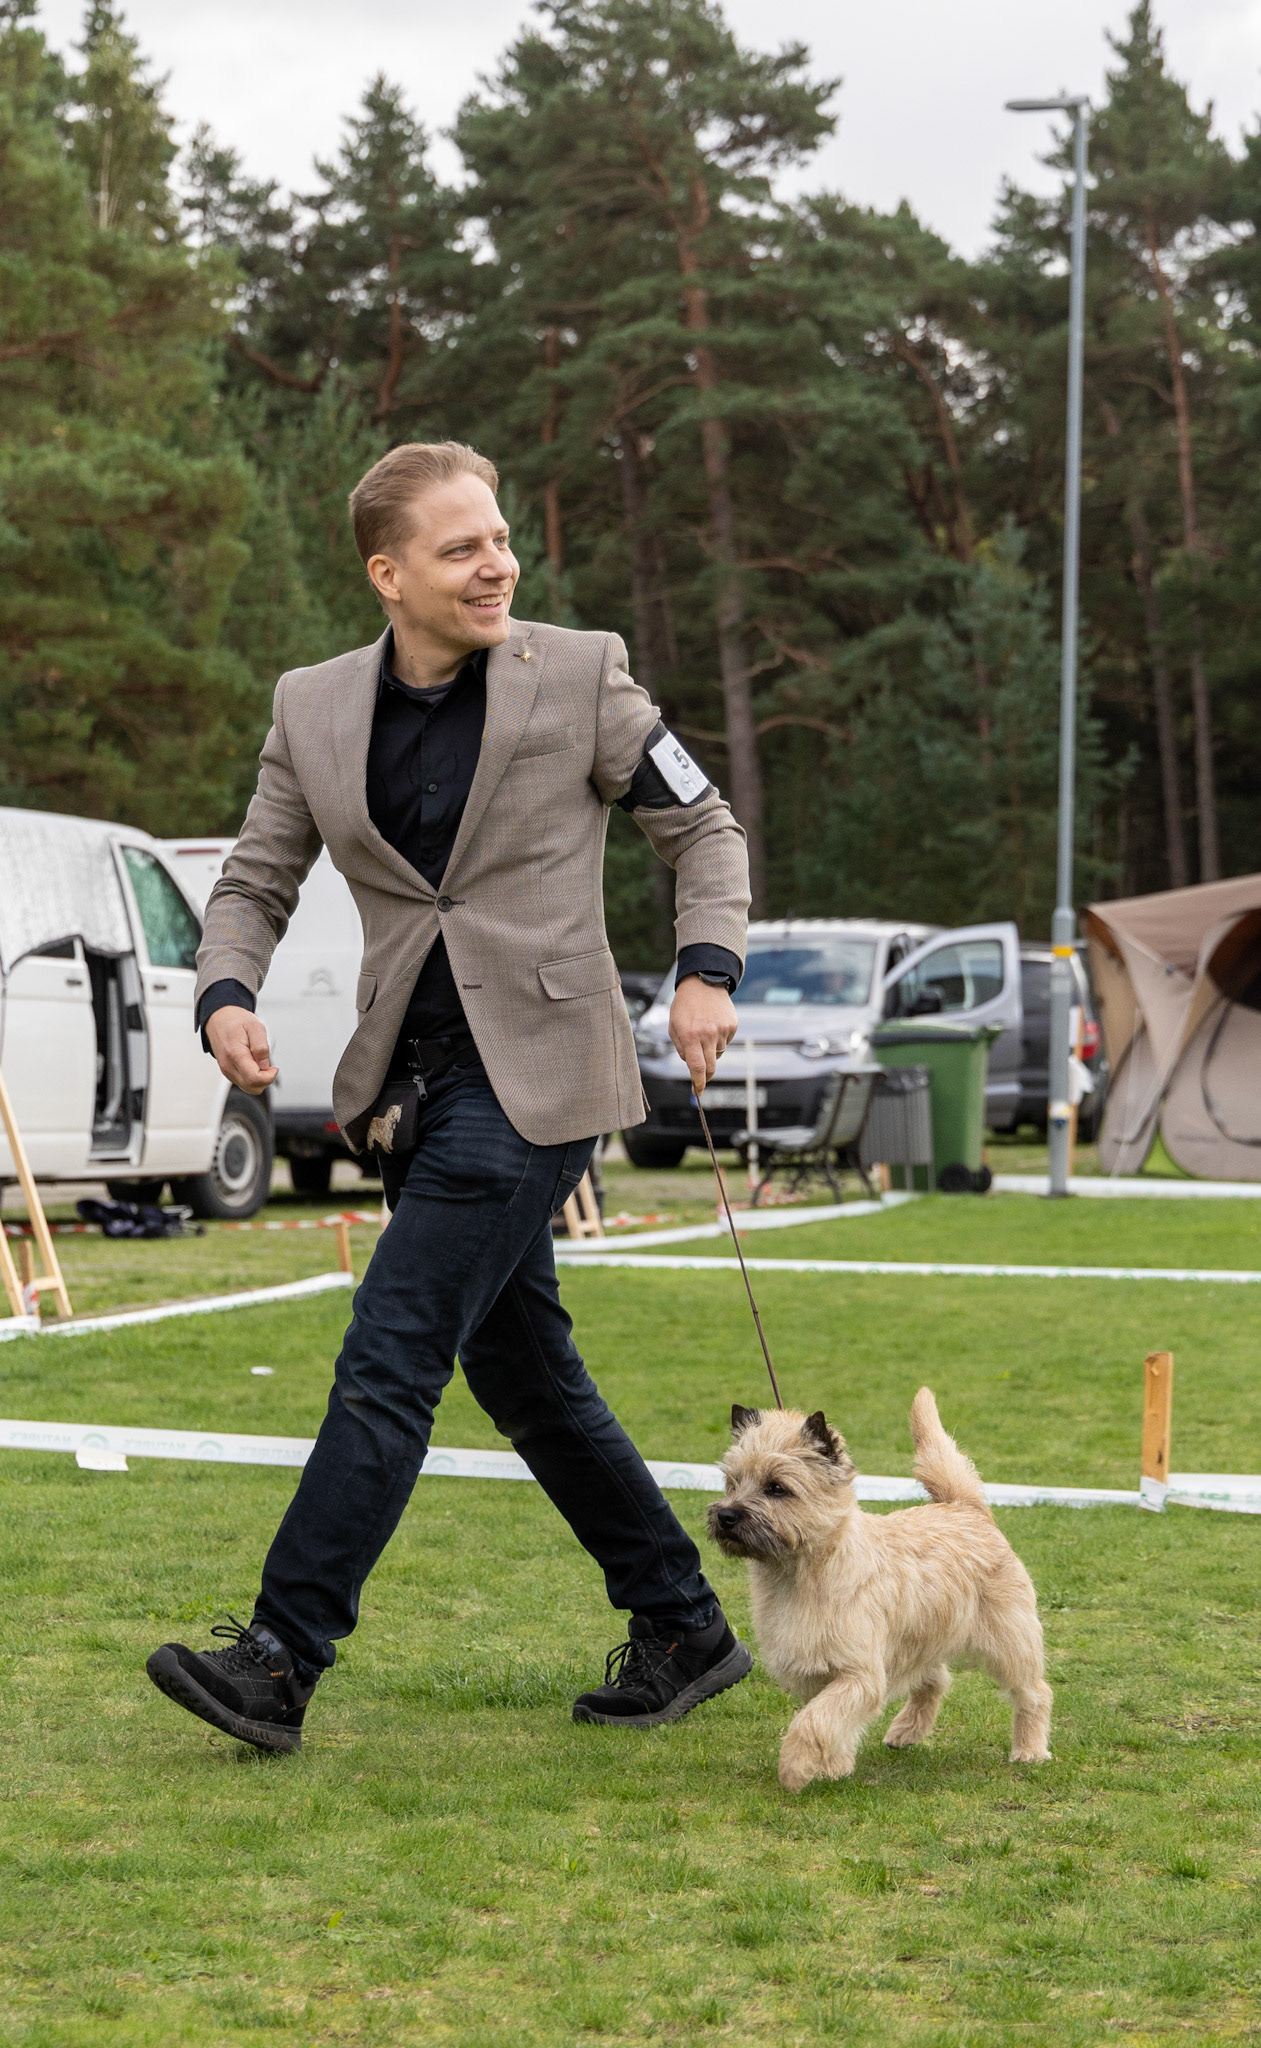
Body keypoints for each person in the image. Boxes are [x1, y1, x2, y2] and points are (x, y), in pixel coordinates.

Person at [146, 440, 753, 1753]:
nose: (497, 565)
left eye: (501, 539)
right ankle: (684, 1624)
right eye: (461, 548)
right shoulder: (312, 706)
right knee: (525, 1375)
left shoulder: (582, 672)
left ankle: (278, 1657)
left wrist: (707, 967)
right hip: (408, 1085)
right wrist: (225, 992)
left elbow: (702, 826)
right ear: (388, 574)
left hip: (540, 1074)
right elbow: (254, 877)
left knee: (392, 1350)